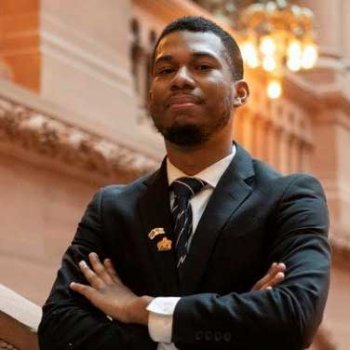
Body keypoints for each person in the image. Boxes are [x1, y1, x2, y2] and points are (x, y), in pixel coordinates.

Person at [38, 16, 331, 350]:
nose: (180, 79)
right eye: (165, 70)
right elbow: (59, 327)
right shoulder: (112, 208)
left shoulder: (289, 197)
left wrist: (143, 311)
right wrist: (235, 325)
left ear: (240, 93)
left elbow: (294, 318)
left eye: (203, 66)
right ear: (151, 94)